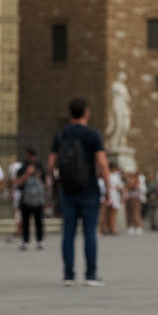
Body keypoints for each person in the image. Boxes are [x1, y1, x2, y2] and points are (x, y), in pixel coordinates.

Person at [48, 97, 111, 287]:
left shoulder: (61, 135)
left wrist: (56, 181)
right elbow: (102, 163)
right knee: (90, 232)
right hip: (89, 189)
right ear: (86, 112)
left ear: (70, 113)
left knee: (68, 232)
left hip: (67, 190)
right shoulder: (93, 135)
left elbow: (51, 163)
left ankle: (68, 275)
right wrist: (108, 188)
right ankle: (91, 275)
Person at [14, 148, 48, 251]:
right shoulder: (23, 168)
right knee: (25, 220)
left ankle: (39, 240)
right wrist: (27, 174)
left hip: (37, 198)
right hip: (26, 199)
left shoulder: (40, 167)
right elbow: (18, 183)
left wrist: (39, 176)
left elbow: (45, 183)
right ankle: (25, 241)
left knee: (39, 220)